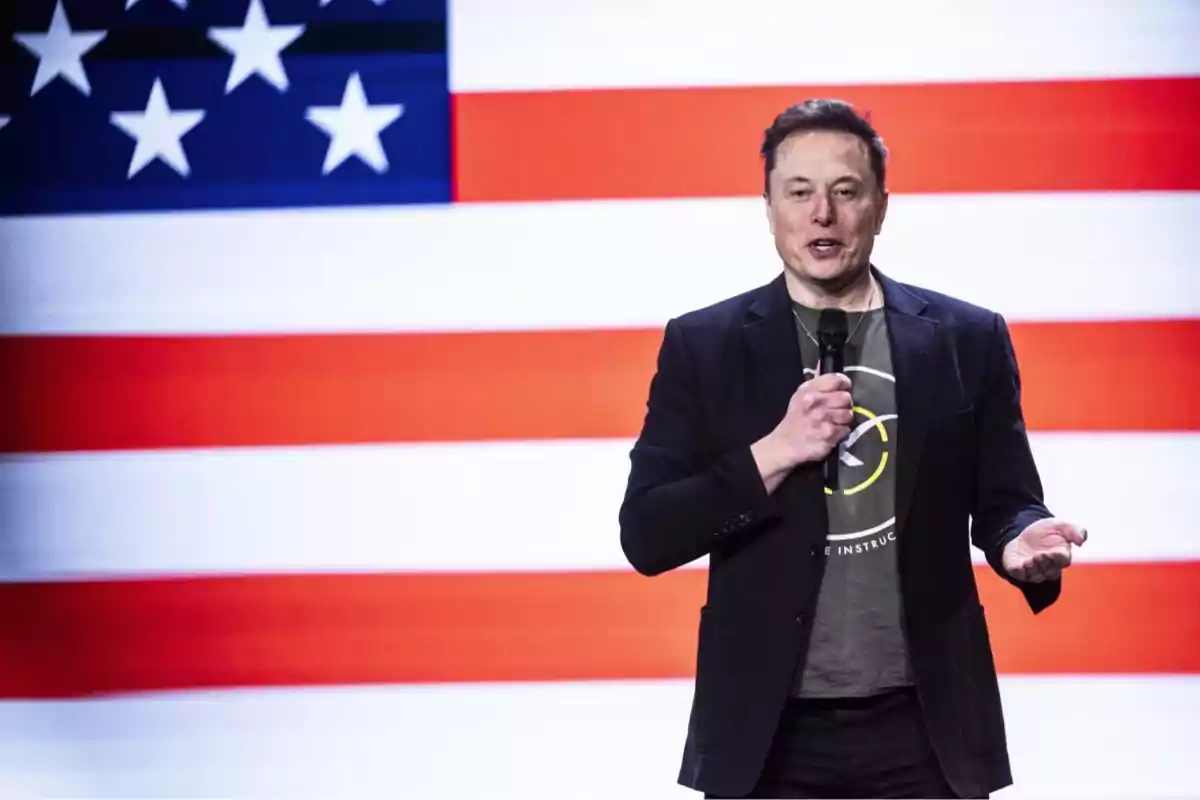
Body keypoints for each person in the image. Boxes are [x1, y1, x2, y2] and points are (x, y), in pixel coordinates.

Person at [618, 98, 1088, 799]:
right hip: (765, 732)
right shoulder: (705, 346)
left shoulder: (965, 337)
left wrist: (1019, 540)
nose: (822, 215)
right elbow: (647, 534)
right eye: (798, 192)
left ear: (881, 205)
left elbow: (1005, 500)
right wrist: (774, 452)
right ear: (768, 205)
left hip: (926, 728)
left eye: (845, 191)